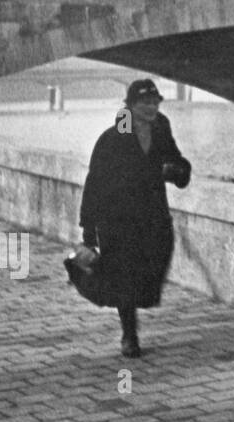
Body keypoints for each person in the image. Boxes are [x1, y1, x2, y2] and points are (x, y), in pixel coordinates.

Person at [79, 79, 191, 357]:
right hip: (118, 220)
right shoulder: (113, 138)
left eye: (155, 102)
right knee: (124, 276)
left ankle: (131, 319)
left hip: (153, 216)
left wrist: (177, 171)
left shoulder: (161, 128)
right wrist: (89, 233)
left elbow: (177, 160)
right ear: (130, 105)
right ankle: (130, 336)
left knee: (154, 263)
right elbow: (95, 184)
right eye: (145, 103)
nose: (151, 107)